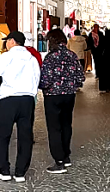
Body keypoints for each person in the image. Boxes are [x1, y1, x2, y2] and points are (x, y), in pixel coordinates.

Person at [0, 31, 41, 183]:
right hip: (27, 100)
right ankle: (20, 173)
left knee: (3, 136)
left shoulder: (6, 57)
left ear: (11, 41)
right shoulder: (31, 59)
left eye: (7, 41)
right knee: (25, 137)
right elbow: (37, 78)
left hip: (8, 99)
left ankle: (4, 171)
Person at [39, 29, 85, 174]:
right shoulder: (72, 55)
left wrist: (42, 86)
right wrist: (72, 85)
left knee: (54, 128)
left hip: (53, 96)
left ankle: (58, 161)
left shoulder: (50, 58)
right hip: (69, 95)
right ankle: (66, 156)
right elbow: (81, 77)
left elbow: (45, 80)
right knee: (66, 125)